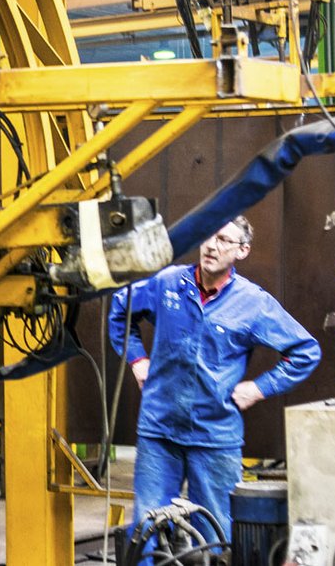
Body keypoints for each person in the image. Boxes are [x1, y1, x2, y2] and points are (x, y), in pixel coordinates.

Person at [108, 215, 320, 561]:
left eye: (224, 239)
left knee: (217, 535)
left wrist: (260, 388)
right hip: (159, 431)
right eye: (208, 236)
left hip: (215, 437)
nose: (212, 245)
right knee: (147, 529)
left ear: (242, 250)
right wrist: (137, 360)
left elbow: (306, 351)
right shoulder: (168, 284)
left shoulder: (253, 303)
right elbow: (121, 307)